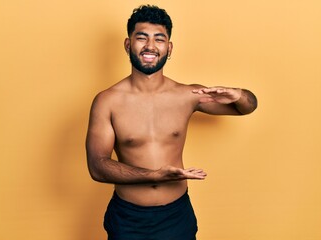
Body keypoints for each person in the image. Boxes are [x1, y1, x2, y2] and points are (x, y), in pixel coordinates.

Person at [85, 5, 257, 240]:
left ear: (169, 47)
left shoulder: (187, 95)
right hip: (128, 219)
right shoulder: (108, 101)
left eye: (159, 39)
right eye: (142, 37)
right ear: (128, 44)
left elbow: (247, 107)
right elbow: (97, 166)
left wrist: (238, 94)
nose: (150, 46)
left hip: (176, 215)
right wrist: (154, 175)